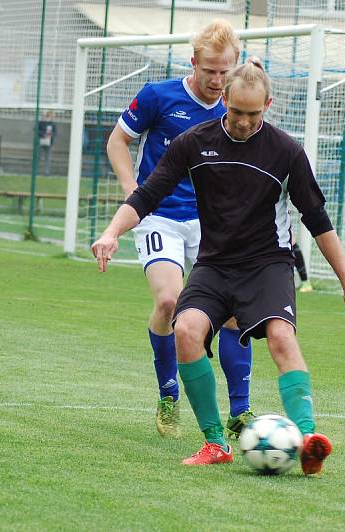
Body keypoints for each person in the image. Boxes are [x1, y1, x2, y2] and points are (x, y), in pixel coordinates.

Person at [92, 59, 345, 475]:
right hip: (214, 263)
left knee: (282, 337)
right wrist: (111, 232)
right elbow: (148, 194)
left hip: (267, 264)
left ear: (268, 104)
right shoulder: (193, 142)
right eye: (236, 112)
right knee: (186, 329)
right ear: (223, 100)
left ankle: (307, 440)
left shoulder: (286, 151)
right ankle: (215, 443)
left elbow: (317, 220)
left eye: (254, 113)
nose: (244, 122)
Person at [106, 19, 254, 439]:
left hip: (213, 224)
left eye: (225, 71)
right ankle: (168, 392)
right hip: (160, 216)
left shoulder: (238, 109)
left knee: (233, 311)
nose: (217, 79)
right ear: (194, 62)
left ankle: (240, 411)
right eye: (209, 70)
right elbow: (118, 141)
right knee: (170, 300)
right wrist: (132, 191)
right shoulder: (159, 96)